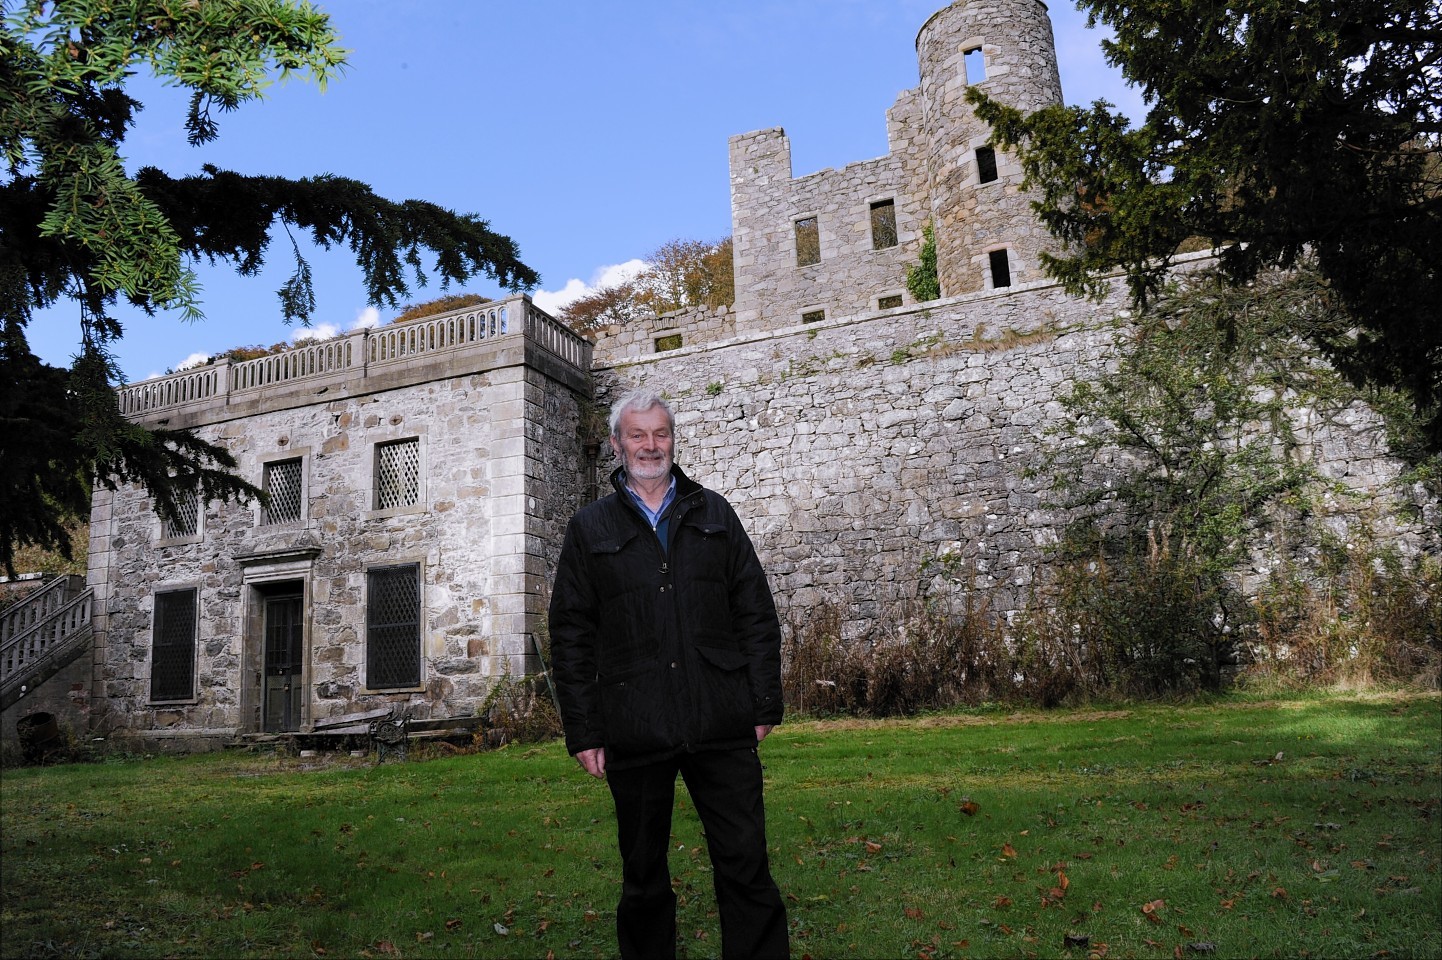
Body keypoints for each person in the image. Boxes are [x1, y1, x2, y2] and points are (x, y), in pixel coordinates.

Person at [549, 387, 789, 960]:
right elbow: (571, 633)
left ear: (672, 440)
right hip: (635, 725)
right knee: (643, 877)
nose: (650, 446)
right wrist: (584, 731)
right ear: (616, 444)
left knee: (745, 864)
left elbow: (755, 611)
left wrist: (762, 704)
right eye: (638, 434)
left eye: (660, 434)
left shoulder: (715, 514)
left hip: (720, 718)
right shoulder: (590, 528)